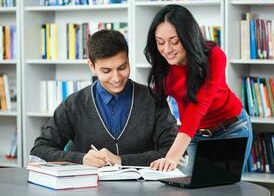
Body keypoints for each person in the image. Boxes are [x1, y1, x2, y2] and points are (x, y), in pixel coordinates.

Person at [30, 29, 178, 167]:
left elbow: (175, 151)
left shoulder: (153, 99)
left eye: (122, 68)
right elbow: (40, 149)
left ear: (128, 60)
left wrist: (121, 161)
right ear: (92, 66)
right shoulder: (74, 104)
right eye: (106, 71)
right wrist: (81, 159)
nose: (116, 78)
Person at [144, 4, 253, 172]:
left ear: (188, 37)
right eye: (160, 42)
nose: (167, 50)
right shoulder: (163, 65)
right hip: (195, 135)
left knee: (222, 188)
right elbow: (154, 105)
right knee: (192, 187)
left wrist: (172, 156)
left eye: (175, 41)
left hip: (231, 129)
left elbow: (198, 106)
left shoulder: (214, 56)